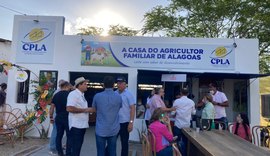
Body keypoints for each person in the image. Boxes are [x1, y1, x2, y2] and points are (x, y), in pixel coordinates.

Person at [92, 76, 122, 156]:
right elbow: (119, 108)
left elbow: (94, 110)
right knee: (112, 151)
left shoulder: (97, 96)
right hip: (113, 129)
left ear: (103, 85)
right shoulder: (118, 97)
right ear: (113, 85)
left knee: (100, 152)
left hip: (100, 129)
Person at [66, 77, 94, 156]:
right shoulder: (73, 94)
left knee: (77, 148)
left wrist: (88, 110)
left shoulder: (81, 95)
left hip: (81, 125)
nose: (86, 86)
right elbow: (69, 108)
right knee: (75, 148)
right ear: (79, 85)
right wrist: (86, 110)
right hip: (76, 126)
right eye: (85, 84)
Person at [50, 81, 72, 156]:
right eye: (69, 86)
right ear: (66, 86)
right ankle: (68, 153)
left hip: (58, 118)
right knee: (69, 136)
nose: (70, 88)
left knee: (59, 135)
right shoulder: (70, 95)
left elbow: (52, 107)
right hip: (68, 118)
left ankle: (60, 153)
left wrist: (51, 117)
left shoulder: (56, 95)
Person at [115, 77, 135, 156]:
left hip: (125, 122)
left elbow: (133, 109)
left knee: (124, 143)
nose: (118, 85)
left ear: (125, 84)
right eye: (117, 83)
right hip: (115, 122)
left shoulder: (129, 94)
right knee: (111, 141)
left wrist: (131, 122)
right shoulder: (115, 93)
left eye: (120, 83)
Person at [173, 88, 195, 156]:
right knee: (185, 142)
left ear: (181, 93)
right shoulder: (191, 102)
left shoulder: (176, 101)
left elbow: (173, 112)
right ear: (188, 93)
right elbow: (193, 113)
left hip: (178, 124)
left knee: (176, 142)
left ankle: (177, 154)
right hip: (187, 125)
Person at [49, 79, 65, 155]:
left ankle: (57, 146)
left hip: (56, 113)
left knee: (58, 132)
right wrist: (51, 117)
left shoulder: (56, 92)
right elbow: (52, 105)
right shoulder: (58, 92)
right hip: (57, 113)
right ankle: (52, 148)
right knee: (56, 132)